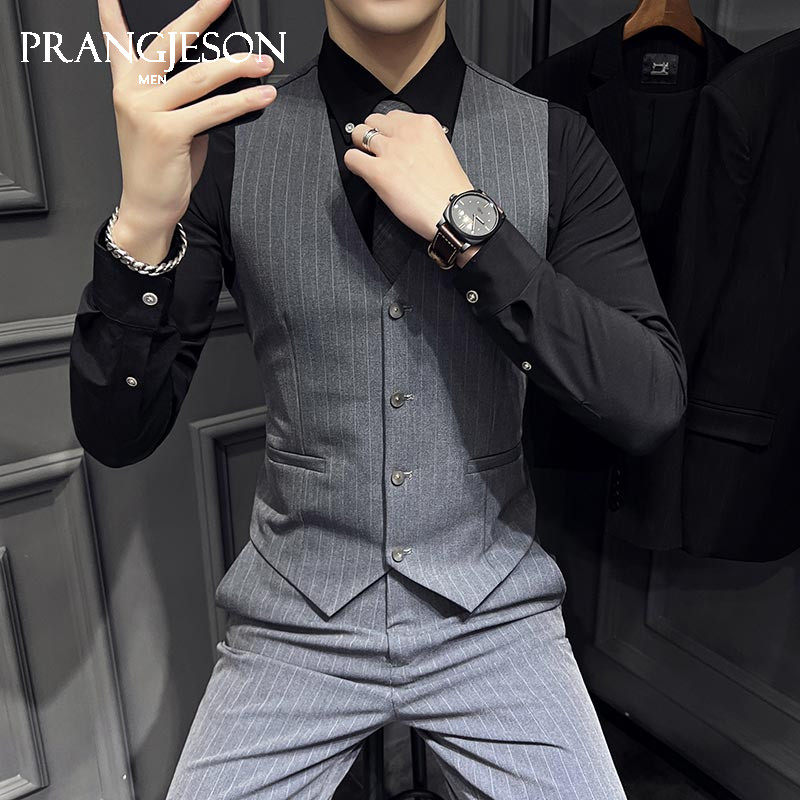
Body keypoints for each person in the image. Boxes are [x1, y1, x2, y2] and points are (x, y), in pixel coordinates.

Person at [70, 0, 687, 796]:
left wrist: (471, 229)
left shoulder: (556, 141)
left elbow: (649, 400)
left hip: (494, 612)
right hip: (295, 616)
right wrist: (143, 222)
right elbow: (117, 429)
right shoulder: (228, 146)